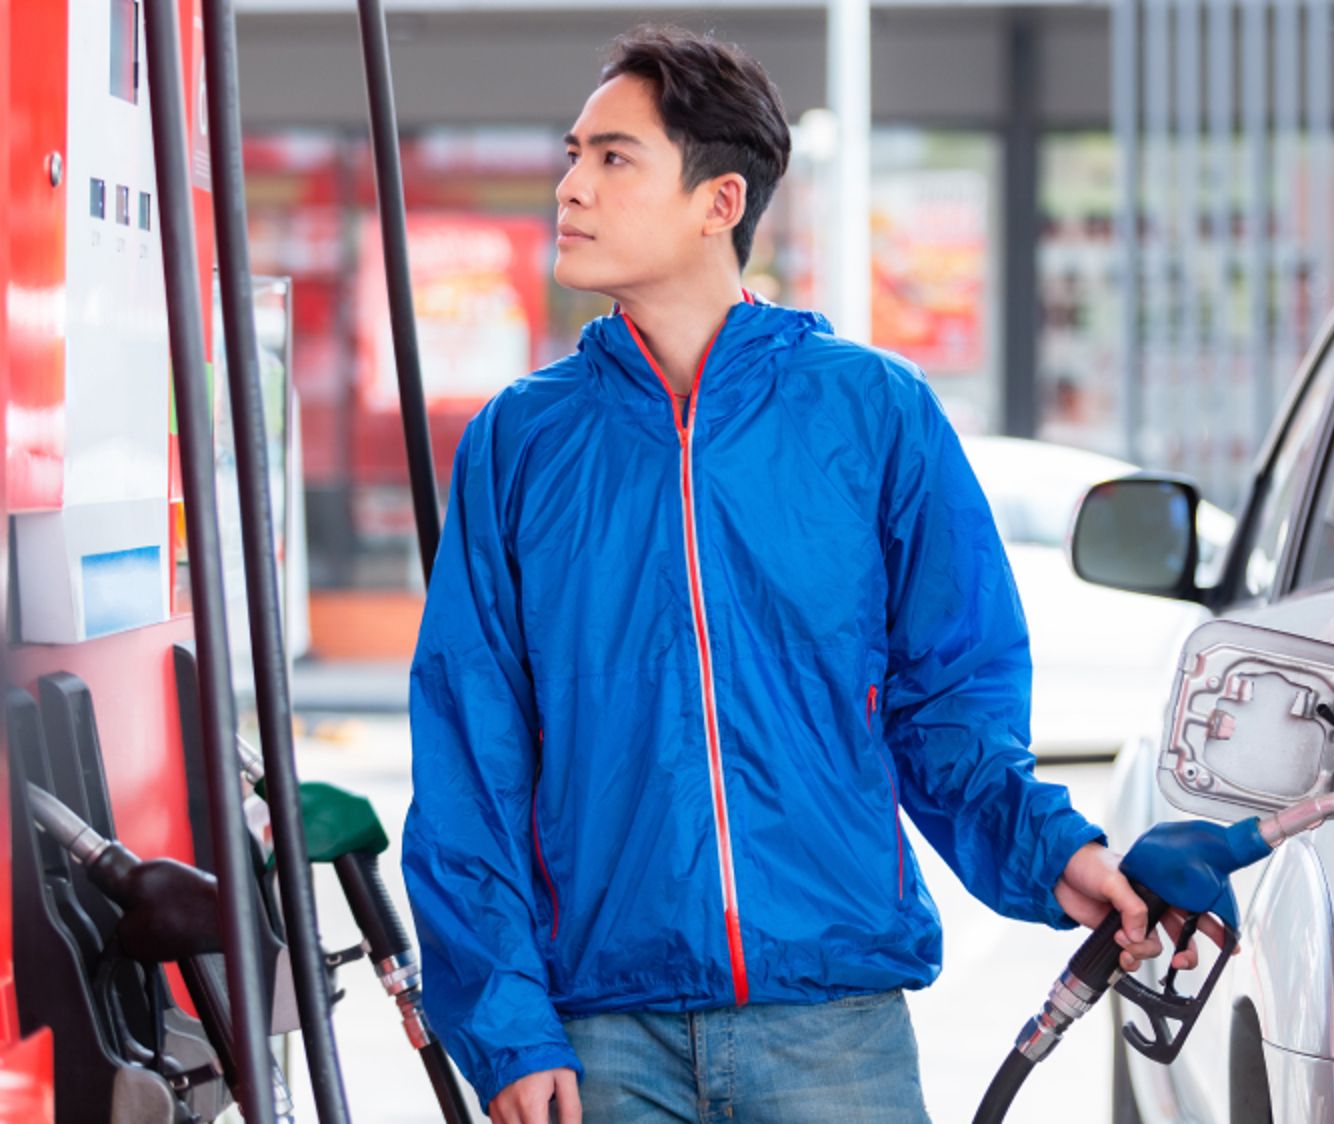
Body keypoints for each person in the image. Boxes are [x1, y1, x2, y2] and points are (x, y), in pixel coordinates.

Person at [403, 26, 1211, 1124]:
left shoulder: (873, 415)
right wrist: (505, 1026)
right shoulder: (520, 443)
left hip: (834, 1031)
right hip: (599, 1041)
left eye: (612, 157)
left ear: (718, 201)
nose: (570, 186)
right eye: (572, 155)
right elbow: (471, 758)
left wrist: (1055, 852)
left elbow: (946, 713)